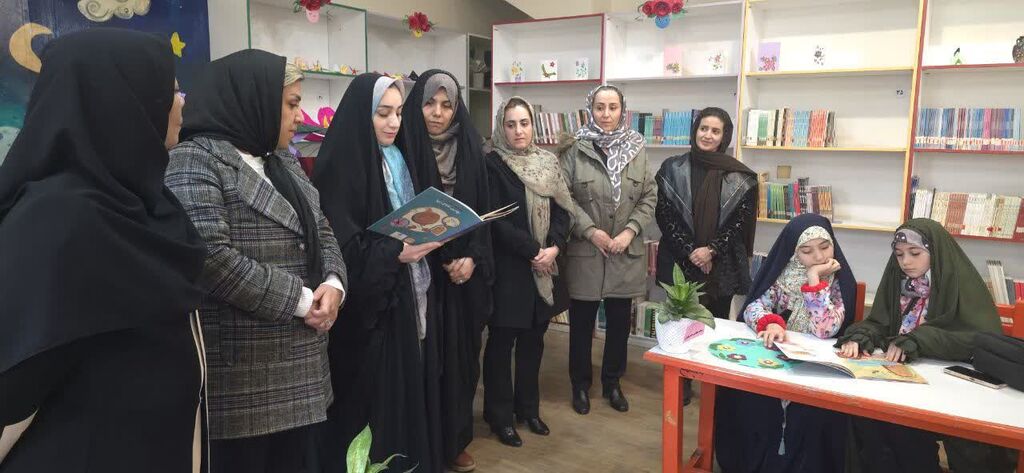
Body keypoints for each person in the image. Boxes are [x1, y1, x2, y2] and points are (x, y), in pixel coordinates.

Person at [0, 28, 208, 472]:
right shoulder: (58, 222)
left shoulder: (146, 205)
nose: (181, 104)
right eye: (170, 91)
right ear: (124, 102)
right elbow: (15, 387)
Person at [165, 50, 348, 473]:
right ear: (255, 100)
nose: (299, 116)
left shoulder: (280, 159)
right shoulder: (194, 160)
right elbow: (210, 259)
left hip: (305, 366)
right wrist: (302, 301)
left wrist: (334, 283)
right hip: (246, 381)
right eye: (292, 104)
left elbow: (321, 227)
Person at [313, 73, 443, 473]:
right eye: (383, 113)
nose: (393, 123)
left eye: (399, 113)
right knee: (370, 411)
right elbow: (341, 249)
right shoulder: (341, 164)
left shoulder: (396, 158)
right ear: (362, 114)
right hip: (364, 317)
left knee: (401, 398)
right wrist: (396, 252)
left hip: (400, 297)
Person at [838, 219, 1017, 473]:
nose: (906, 262)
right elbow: (880, 322)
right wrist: (861, 336)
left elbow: (978, 339)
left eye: (915, 253)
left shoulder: (957, 283)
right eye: (899, 254)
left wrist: (919, 339)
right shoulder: (899, 281)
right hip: (904, 384)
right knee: (867, 416)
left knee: (967, 439)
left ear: (935, 252)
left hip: (950, 390)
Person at [401, 69, 494, 472]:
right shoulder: (402, 146)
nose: (437, 113)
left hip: (462, 276)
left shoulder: (471, 148)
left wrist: (472, 258)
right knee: (426, 361)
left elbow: (483, 214)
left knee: (461, 361)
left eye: (446, 104)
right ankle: (423, 442)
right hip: (420, 272)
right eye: (429, 103)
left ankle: (455, 439)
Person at [714, 214, 856, 473]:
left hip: (817, 368)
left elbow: (825, 329)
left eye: (825, 247)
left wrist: (814, 279)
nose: (819, 256)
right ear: (793, 251)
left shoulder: (839, 283)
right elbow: (754, 306)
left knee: (813, 414)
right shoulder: (783, 276)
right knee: (747, 398)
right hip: (778, 358)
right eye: (807, 251)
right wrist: (770, 322)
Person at [559, 84, 657, 415]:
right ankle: (580, 385)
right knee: (581, 324)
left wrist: (630, 231)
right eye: (599, 107)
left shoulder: (637, 148)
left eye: (612, 107)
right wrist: (591, 231)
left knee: (618, 325)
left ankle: (612, 383)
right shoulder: (575, 148)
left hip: (624, 252)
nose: (606, 114)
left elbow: (649, 196)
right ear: (591, 109)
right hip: (586, 251)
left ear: (622, 110)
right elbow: (564, 197)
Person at [483, 97, 573, 448]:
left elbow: (563, 210)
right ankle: (500, 417)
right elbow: (494, 220)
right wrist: (533, 250)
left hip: (543, 269)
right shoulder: (492, 164)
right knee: (501, 345)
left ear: (533, 125)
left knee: (534, 343)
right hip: (509, 269)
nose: (518, 131)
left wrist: (554, 248)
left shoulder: (547, 162)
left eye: (524, 123)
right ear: (501, 127)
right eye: (511, 124)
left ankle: (528, 410)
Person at [654, 106, 758, 403]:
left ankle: (714, 380)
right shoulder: (672, 168)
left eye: (715, 131)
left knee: (716, 324)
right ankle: (683, 380)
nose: (708, 135)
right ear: (694, 130)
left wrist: (711, 250)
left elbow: (739, 222)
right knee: (681, 323)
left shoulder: (740, 176)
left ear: (725, 136)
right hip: (680, 259)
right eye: (703, 128)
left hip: (721, 264)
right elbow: (664, 215)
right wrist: (692, 251)